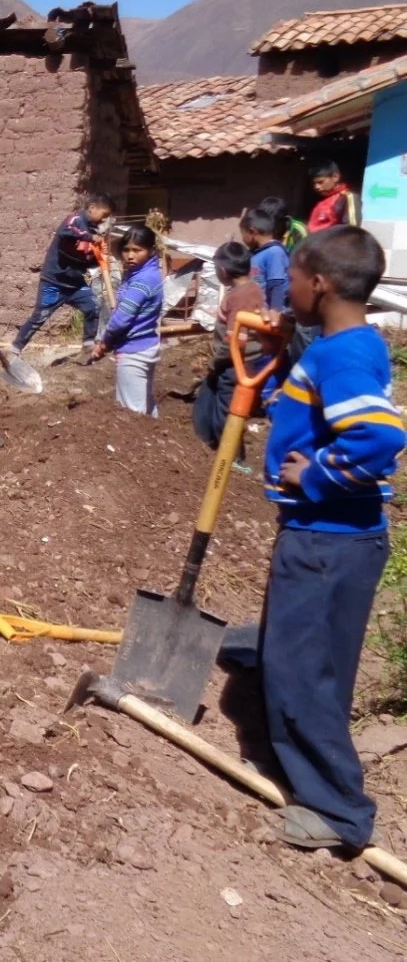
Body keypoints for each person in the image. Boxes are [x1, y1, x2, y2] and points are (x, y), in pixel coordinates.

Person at [252, 226, 403, 851]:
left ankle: (336, 810)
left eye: (292, 279)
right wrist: (288, 350)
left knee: (297, 672)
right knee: (321, 664)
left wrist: (314, 474)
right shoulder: (348, 343)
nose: (285, 289)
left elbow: (379, 438)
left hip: (323, 541)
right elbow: (316, 409)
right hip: (347, 540)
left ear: (319, 283)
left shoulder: (340, 356)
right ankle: (311, 759)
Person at [10, 193, 114, 359]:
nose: (105, 219)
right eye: (104, 214)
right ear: (92, 208)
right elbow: (67, 231)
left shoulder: (94, 232)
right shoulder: (74, 221)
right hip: (54, 283)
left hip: (76, 285)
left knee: (94, 306)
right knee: (40, 316)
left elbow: (88, 262)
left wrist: (100, 256)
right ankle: (16, 348)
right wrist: (91, 237)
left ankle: (88, 344)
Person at [192, 242, 266, 466]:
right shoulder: (252, 289)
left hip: (234, 364)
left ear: (222, 271)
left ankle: (233, 460)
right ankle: (209, 445)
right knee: (209, 402)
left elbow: (235, 340)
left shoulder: (239, 298)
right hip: (241, 362)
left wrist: (217, 362)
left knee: (226, 413)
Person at [90, 224, 164, 415]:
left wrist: (104, 344)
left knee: (132, 414)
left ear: (150, 250)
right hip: (146, 345)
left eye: (137, 250)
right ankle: (159, 441)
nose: (130, 255)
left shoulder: (142, 280)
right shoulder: (146, 273)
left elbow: (122, 320)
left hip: (134, 351)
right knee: (146, 403)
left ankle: (144, 444)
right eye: (126, 249)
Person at [239, 206, 290, 310]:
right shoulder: (257, 253)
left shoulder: (274, 252)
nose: (243, 239)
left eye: (243, 234)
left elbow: (277, 285)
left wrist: (275, 312)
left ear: (252, 232)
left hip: (268, 316)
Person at [306, 161, 361, 233]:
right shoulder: (322, 202)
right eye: (314, 183)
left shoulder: (347, 198)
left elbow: (351, 230)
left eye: (320, 182)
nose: (316, 187)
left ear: (335, 177)